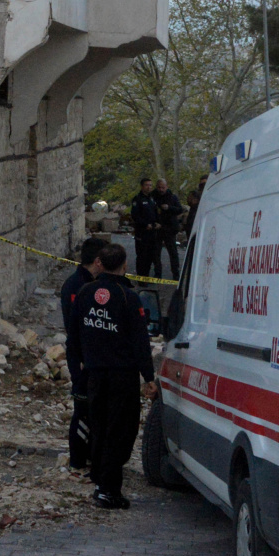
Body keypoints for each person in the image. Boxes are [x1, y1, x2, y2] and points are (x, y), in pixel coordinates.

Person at [75, 241, 157, 508]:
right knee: (120, 432)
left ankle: (100, 478)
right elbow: (140, 341)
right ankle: (108, 490)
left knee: (99, 426)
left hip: (94, 374)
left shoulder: (85, 292)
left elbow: (74, 333)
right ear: (124, 265)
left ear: (100, 262)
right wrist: (149, 377)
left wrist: (78, 364)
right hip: (122, 376)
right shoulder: (127, 297)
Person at [59, 238, 110, 472]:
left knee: (97, 408)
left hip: (97, 357)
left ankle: (93, 454)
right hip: (81, 356)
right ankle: (79, 460)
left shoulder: (97, 284)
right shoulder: (75, 286)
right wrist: (81, 358)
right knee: (82, 407)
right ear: (98, 261)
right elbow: (75, 327)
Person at [128, 178, 163, 279]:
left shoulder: (152, 199)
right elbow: (135, 215)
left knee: (150, 256)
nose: (149, 187)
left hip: (152, 232)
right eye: (147, 185)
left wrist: (158, 223)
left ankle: (147, 276)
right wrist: (144, 224)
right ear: (142, 186)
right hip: (142, 233)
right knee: (142, 256)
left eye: (151, 185)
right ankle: (141, 278)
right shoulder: (138, 199)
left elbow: (156, 213)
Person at [153, 177, 185, 279]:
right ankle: (158, 274)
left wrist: (169, 208)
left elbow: (180, 210)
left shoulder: (172, 197)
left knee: (173, 253)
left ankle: (176, 274)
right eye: (159, 187)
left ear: (167, 187)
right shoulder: (153, 197)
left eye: (163, 187)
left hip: (170, 229)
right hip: (157, 229)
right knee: (156, 253)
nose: (161, 189)